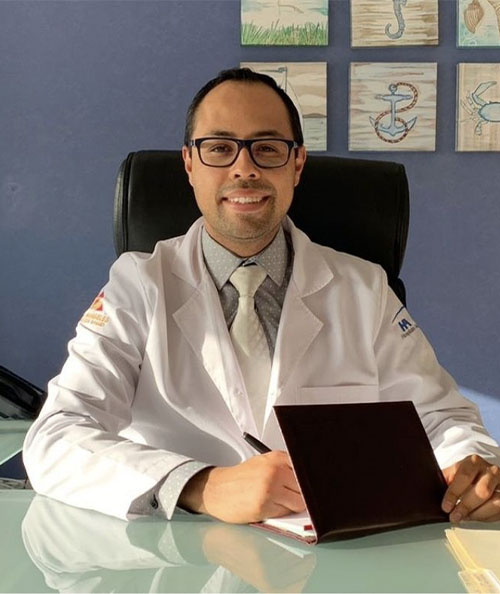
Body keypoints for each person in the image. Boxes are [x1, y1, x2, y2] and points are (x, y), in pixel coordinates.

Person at [24, 68, 500, 525]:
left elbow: (441, 417)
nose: (244, 169)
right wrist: (201, 485)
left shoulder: (364, 289)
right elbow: (56, 436)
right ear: (189, 164)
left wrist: (470, 467)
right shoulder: (138, 285)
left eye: (267, 148)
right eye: (219, 148)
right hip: (178, 552)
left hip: (334, 553)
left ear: (297, 164)